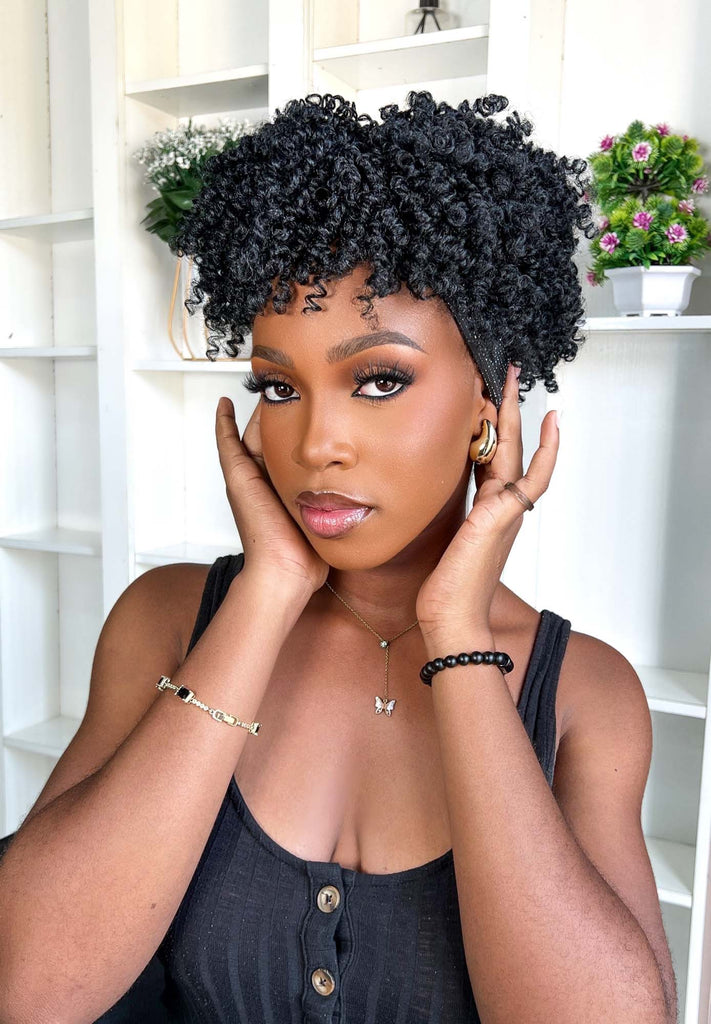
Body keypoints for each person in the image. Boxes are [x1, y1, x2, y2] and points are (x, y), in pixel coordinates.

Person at [0, 91, 676, 1024]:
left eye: (379, 379)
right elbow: (29, 990)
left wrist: (456, 634)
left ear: (489, 405)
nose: (316, 443)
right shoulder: (165, 621)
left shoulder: (586, 696)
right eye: (278, 387)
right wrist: (268, 592)